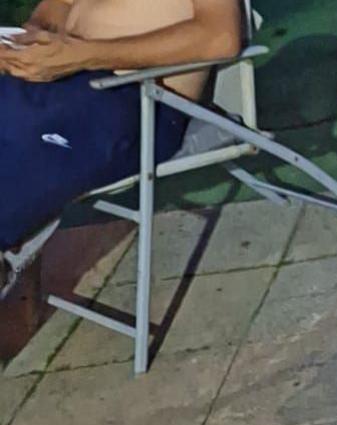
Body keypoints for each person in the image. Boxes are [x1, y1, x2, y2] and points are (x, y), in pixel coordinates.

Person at [0, 0, 243, 252]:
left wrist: (82, 55)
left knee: (24, 131)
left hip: (135, 98)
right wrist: (29, 42)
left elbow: (220, 37)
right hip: (58, 80)